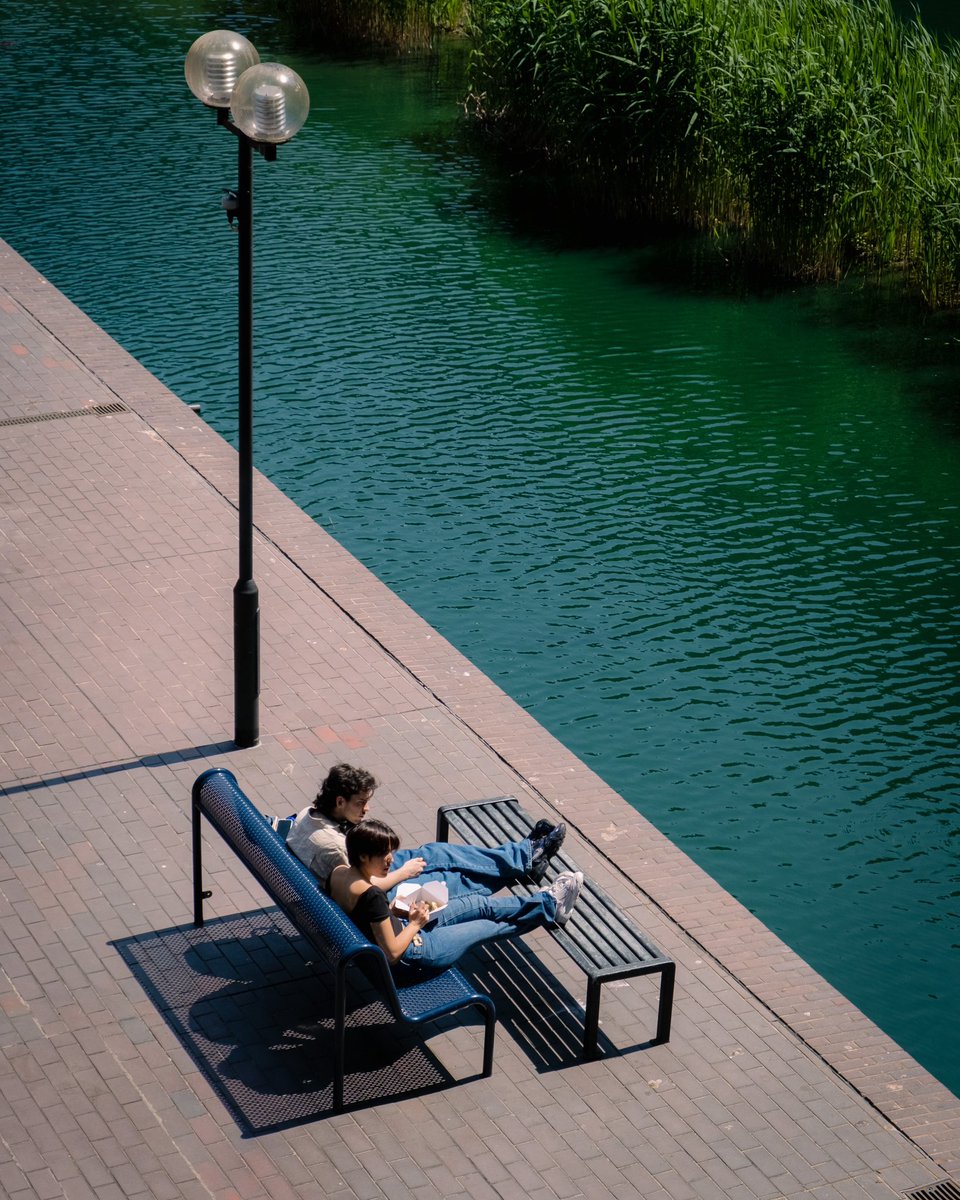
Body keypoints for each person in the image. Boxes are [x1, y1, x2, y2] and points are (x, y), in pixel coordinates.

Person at [329, 818, 583, 974]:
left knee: (480, 904)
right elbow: (392, 954)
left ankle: (542, 898)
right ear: (363, 856)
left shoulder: (339, 874)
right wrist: (416, 923)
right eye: (384, 855)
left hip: (401, 924)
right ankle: (550, 905)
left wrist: (395, 910)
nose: (390, 860)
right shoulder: (372, 895)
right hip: (416, 953)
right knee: (489, 926)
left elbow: (367, 915)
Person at [286, 762, 566, 898]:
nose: (366, 810)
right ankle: (525, 860)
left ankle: (524, 857)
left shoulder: (306, 817)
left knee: (438, 851)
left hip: (368, 869)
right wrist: (402, 872)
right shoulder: (333, 846)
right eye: (361, 803)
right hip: (379, 897)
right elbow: (366, 888)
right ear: (339, 801)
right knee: (452, 880)